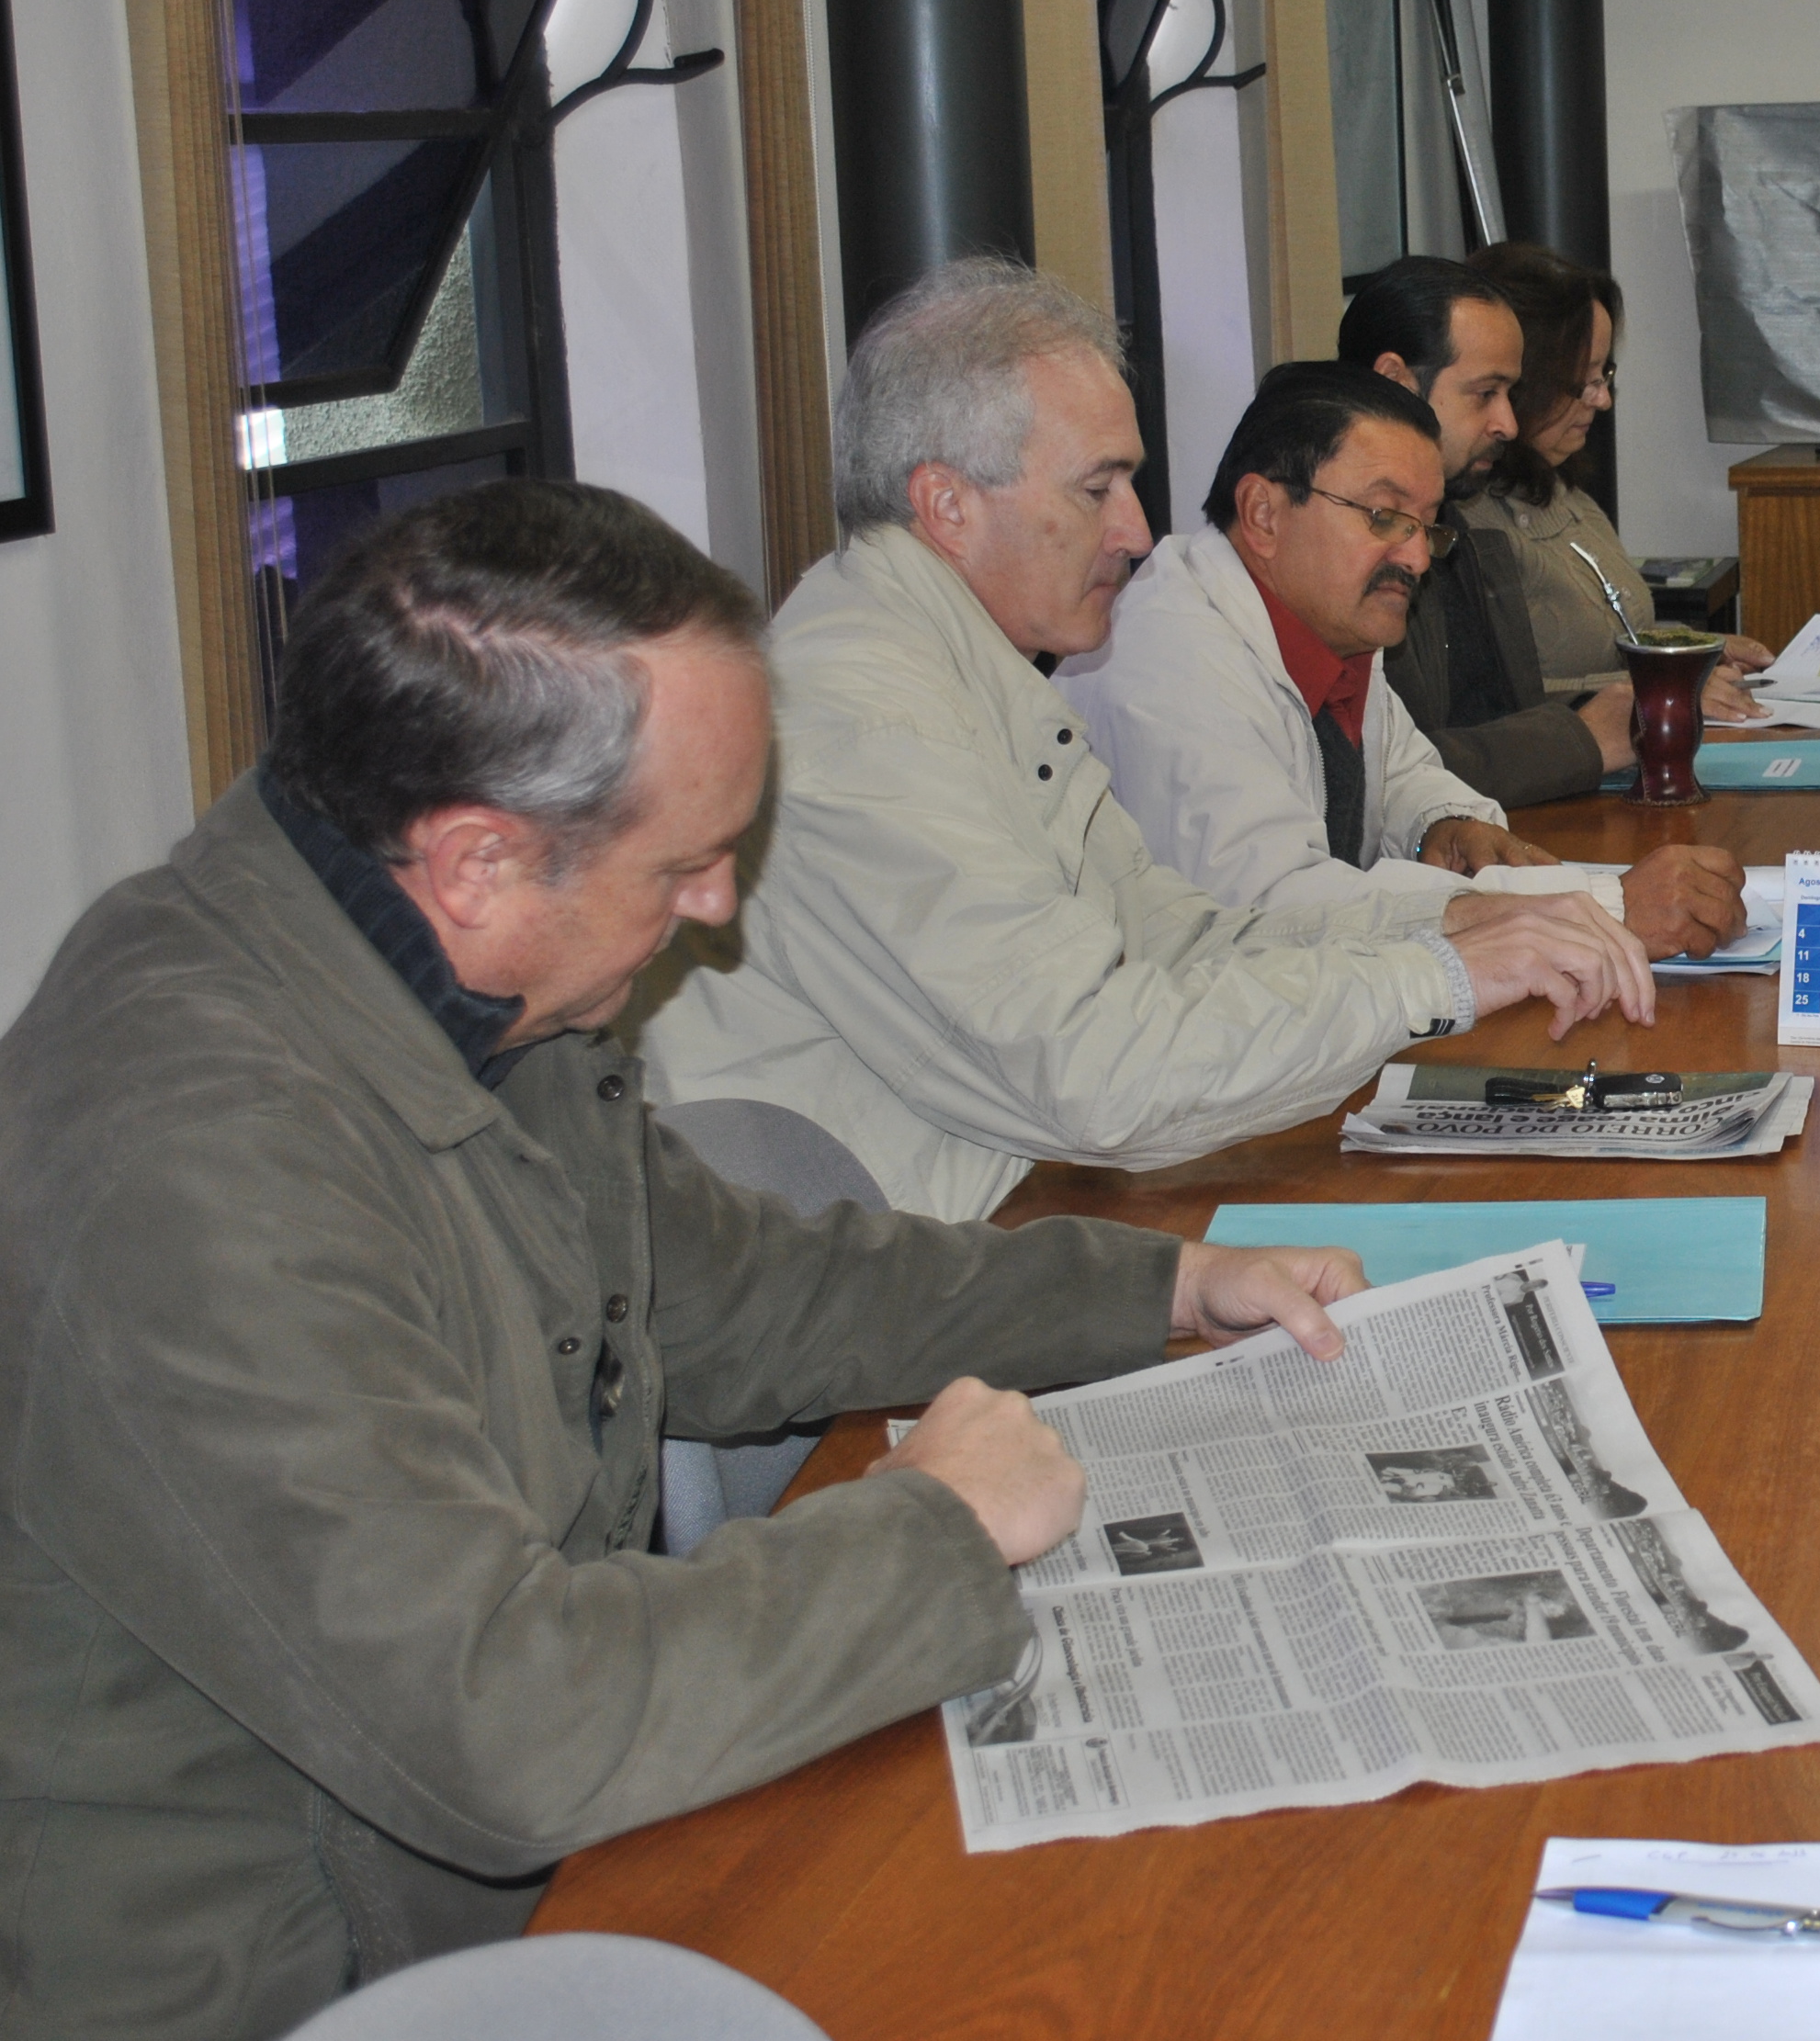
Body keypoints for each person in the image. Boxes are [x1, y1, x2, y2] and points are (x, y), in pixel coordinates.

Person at [0, 480, 1371, 2039]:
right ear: (476, 862)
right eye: (682, 867)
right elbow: (501, 1719)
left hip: (533, 1873)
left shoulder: (463, 980)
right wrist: (933, 1531)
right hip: (302, 1976)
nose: (719, 908)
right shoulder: (197, 1156)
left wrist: (1156, 1288)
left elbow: (737, 1291)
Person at [639, 259, 1659, 1223]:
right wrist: (1436, 977)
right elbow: (1095, 1073)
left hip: (1008, 1211)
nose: (1134, 528)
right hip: (903, 1300)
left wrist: (1451, 935)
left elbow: (1176, 936)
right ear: (946, 505)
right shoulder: (865, 720)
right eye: (1097, 488)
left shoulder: (972, 672)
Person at [1057, 363, 1746, 951]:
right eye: (1384, 517)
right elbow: (1272, 912)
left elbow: (1403, 770)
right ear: (1264, 514)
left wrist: (1441, 824)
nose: (1416, 557)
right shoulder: (1166, 659)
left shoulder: (1332, 622)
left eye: (1426, 525)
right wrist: (1601, 908)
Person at [1340, 256, 1749, 804]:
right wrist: (1585, 733)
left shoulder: (1451, 520)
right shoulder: (1350, 542)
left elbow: (1494, 715)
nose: (1507, 424)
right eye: (1486, 393)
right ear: (1395, 382)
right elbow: (1388, 774)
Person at [1456, 237, 1777, 697]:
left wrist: (1691, 650)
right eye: (1582, 381)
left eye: (1603, 375)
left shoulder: (1566, 495)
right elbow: (1496, 704)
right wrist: (1672, 683)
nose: (1602, 400)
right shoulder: (1464, 524)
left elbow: (1612, 640)